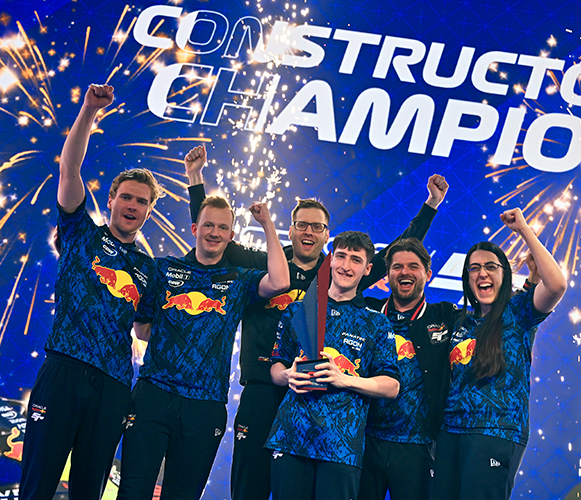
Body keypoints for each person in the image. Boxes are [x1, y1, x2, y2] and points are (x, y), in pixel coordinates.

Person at [186, 162, 448, 500]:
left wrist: (430, 206)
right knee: (249, 488)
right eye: (302, 225)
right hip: (265, 387)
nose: (309, 232)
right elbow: (212, 237)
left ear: (327, 236)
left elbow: (391, 253)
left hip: (318, 403)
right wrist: (196, 182)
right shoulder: (267, 264)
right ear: (291, 230)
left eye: (317, 226)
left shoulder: (337, 271)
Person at [116, 146, 290, 499]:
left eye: (223, 228)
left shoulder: (239, 279)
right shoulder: (164, 269)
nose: (214, 232)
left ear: (231, 236)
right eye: (208, 225)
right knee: (133, 491)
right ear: (195, 228)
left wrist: (268, 224)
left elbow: (281, 281)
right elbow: (142, 329)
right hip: (153, 396)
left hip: (205, 406)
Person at [20, 84, 162, 499]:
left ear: (149, 211)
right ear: (112, 199)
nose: (132, 206)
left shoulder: (149, 269)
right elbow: (69, 169)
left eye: (141, 202)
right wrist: (88, 111)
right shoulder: (80, 232)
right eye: (126, 197)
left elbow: (144, 330)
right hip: (62, 371)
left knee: (89, 490)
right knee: (37, 484)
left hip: (112, 386)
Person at [432, 208, 567, 500]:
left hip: (496, 433)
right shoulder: (460, 321)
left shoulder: (519, 312)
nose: (482, 273)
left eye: (491, 266)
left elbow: (557, 285)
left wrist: (524, 230)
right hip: (450, 433)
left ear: (504, 274)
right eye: (474, 268)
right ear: (467, 279)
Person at [266, 231, 400, 500]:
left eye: (355, 260)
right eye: (341, 256)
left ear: (367, 269)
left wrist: (344, 379)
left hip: (342, 446)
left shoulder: (376, 322)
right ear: (330, 259)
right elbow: (276, 367)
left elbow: (392, 386)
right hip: (290, 436)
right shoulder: (298, 309)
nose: (346, 266)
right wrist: (288, 375)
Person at [359, 238, 459, 500]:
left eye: (413, 266)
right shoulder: (367, 311)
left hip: (418, 447)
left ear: (428, 274)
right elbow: (336, 287)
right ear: (386, 274)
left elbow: (492, 314)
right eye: (397, 267)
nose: (405, 272)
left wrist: (530, 285)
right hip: (364, 441)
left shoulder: (445, 316)